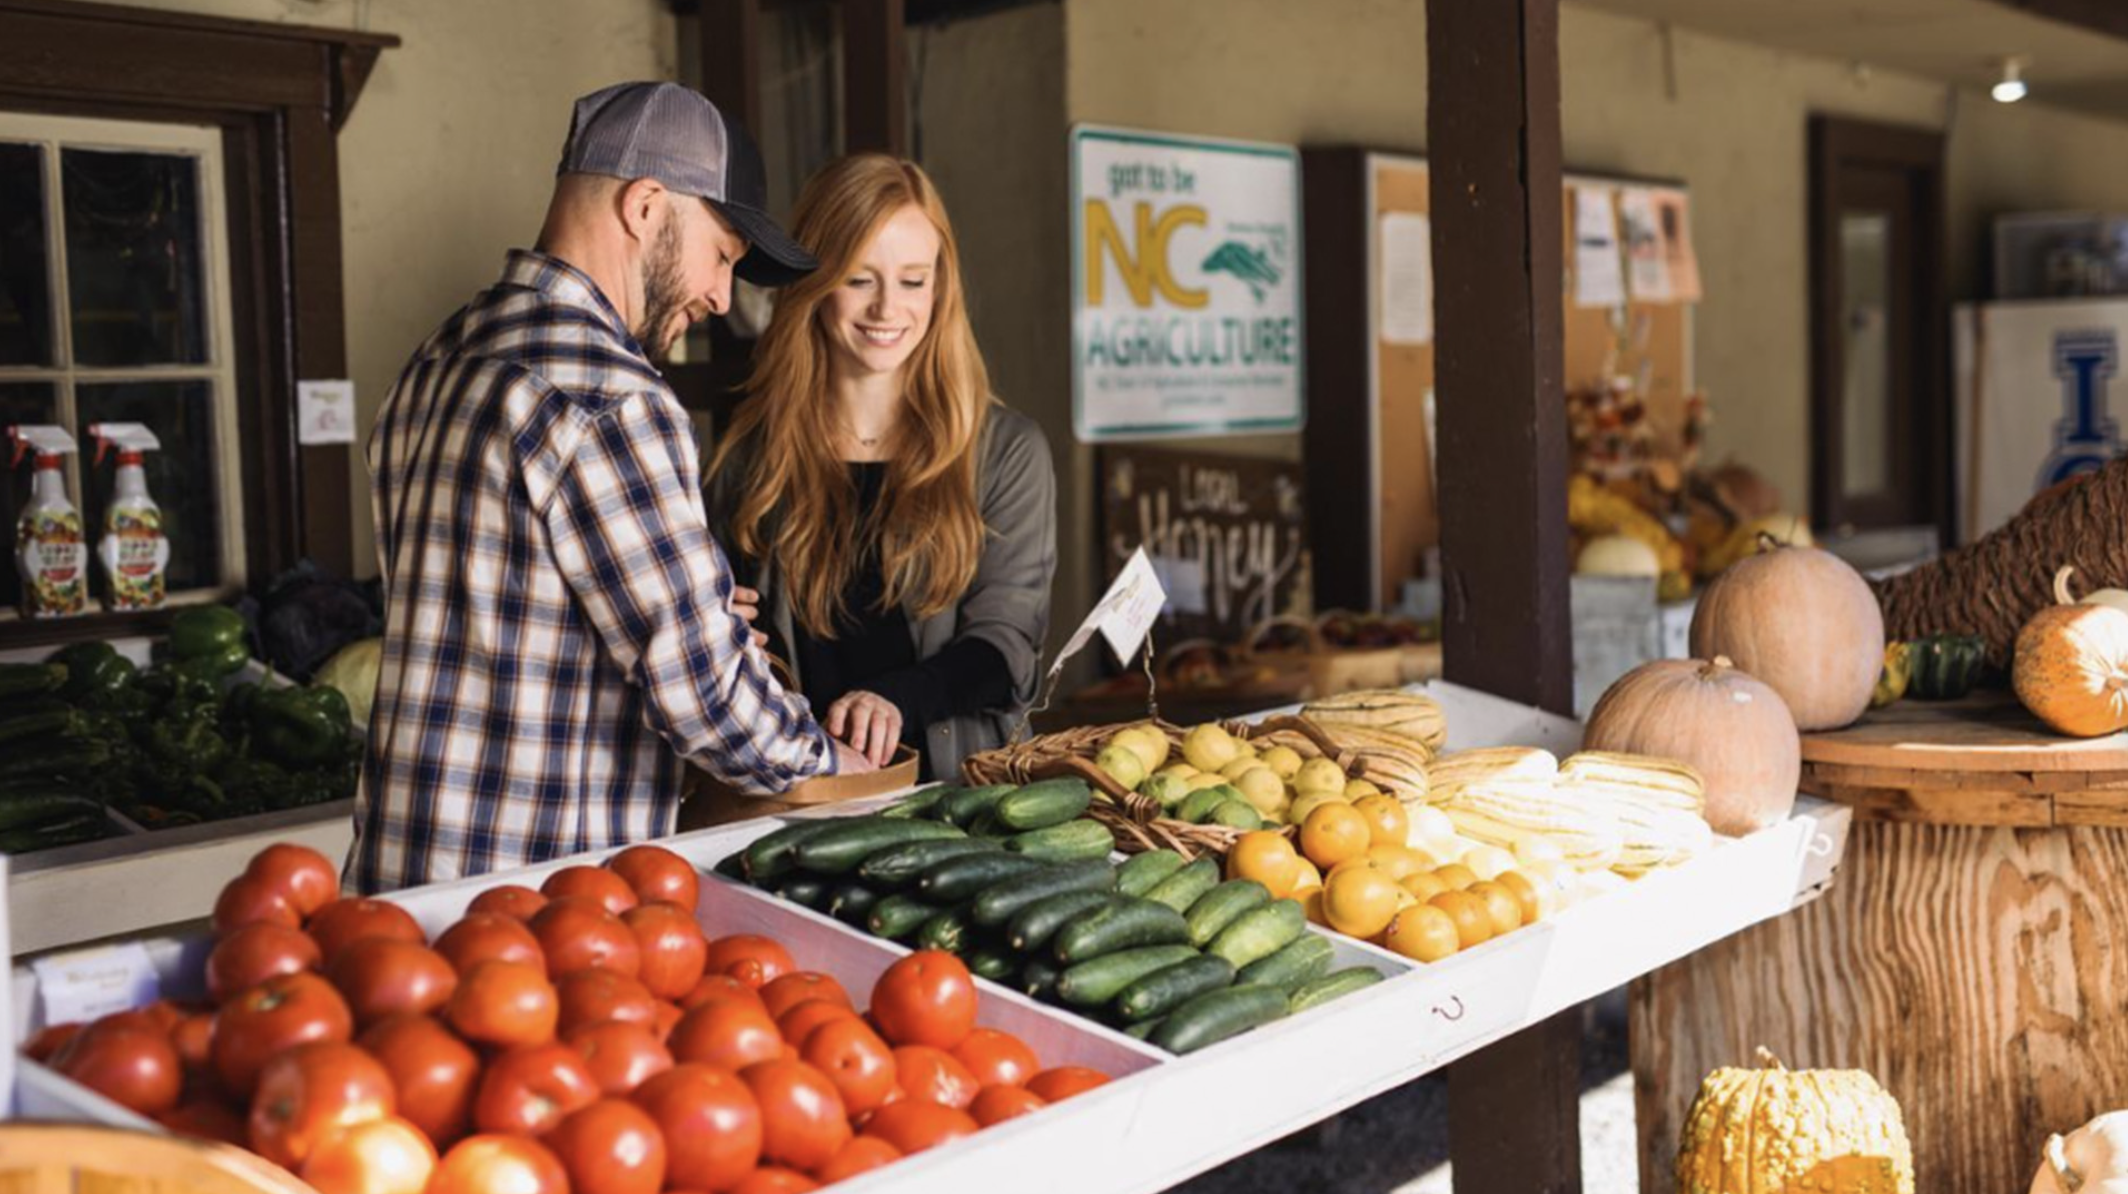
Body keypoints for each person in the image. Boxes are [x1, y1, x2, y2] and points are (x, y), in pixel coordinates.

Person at [354, 82, 871, 894]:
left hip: (400, 883)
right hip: (532, 905)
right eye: (723, 255)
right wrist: (839, 771)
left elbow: (500, 612)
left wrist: (688, 600)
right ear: (645, 205)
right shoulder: (610, 392)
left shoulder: (438, 359)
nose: (720, 296)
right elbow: (704, 693)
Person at [707, 154, 1057, 783]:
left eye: (913, 280)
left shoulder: (1007, 452)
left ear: (941, 287)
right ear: (814, 283)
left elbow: (1007, 647)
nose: (887, 309)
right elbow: (728, 649)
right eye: (859, 279)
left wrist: (895, 698)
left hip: (956, 808)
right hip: (799, 800)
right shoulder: (750, 458)